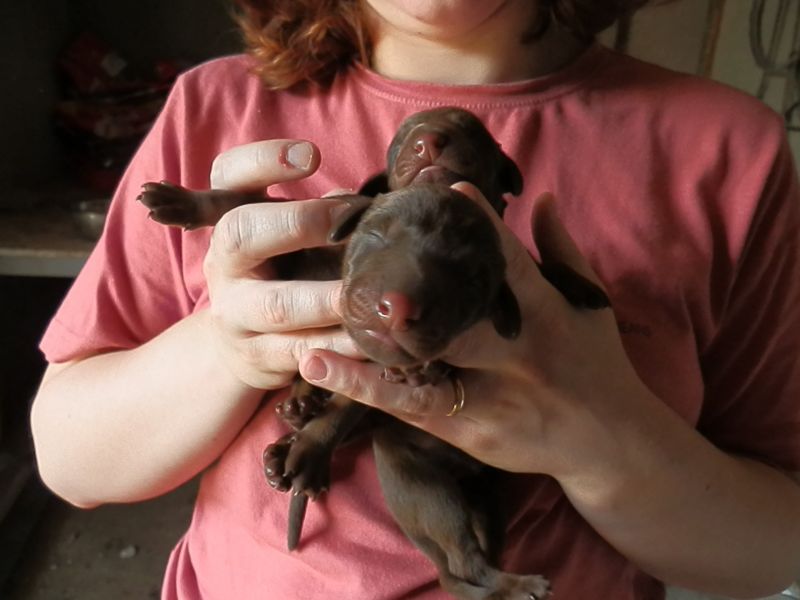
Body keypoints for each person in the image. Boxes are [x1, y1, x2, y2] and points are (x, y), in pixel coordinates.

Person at [30, 1, 800, 598]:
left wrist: (602, 440)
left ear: (498, 181)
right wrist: (228, 346)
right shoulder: (215, 108)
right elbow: (70, 461)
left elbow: (776, 546)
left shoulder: (727, 150)